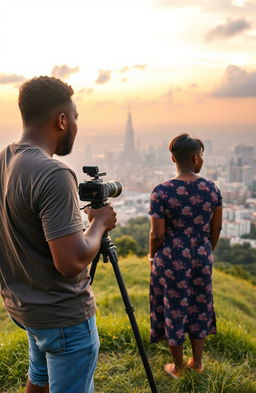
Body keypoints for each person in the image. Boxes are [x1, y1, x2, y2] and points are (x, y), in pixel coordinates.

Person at [0, 76, 117, 393]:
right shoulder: (52, 173)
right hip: (62, 315)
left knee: (39, 378)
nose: (76, 125)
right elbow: (71, 261)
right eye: (76, 117)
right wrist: (100, 223)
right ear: (62, 120)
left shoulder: (5, 160)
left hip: (24, 306)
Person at [148, 133, 222, 378]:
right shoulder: (211, 188)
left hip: (170, 258)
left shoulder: (161, 192)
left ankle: (178, 367)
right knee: (200, 305)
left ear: (173, 158)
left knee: (174, 307)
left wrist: (151, 255)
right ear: (196, 158)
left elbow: (156, 234)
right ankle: (197, 362)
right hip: (201, 255)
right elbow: (217, 228)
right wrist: (204, 250)